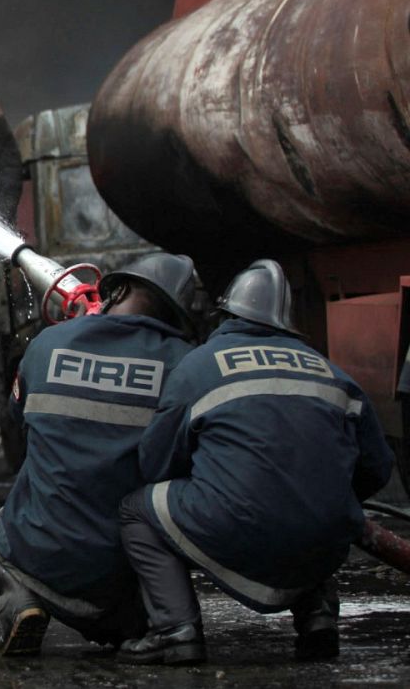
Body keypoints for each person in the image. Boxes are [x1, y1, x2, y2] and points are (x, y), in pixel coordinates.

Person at [117, 259, 396, 665]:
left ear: (225, 315)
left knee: (136, 510)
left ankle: (175, 630)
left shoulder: (198, 366)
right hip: (323, 542)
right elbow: (377, 467)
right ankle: (318, 618)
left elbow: (156, 463)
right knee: (318, 503)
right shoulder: (332, 372)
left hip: (236, 526)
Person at [0, 252, 200, 656]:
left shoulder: (47, 343)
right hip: (124, 571)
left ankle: (22, 604)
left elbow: (18, 418)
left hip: (41, 554)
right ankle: (136, 622)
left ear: (120, 289)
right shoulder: (185, 364)